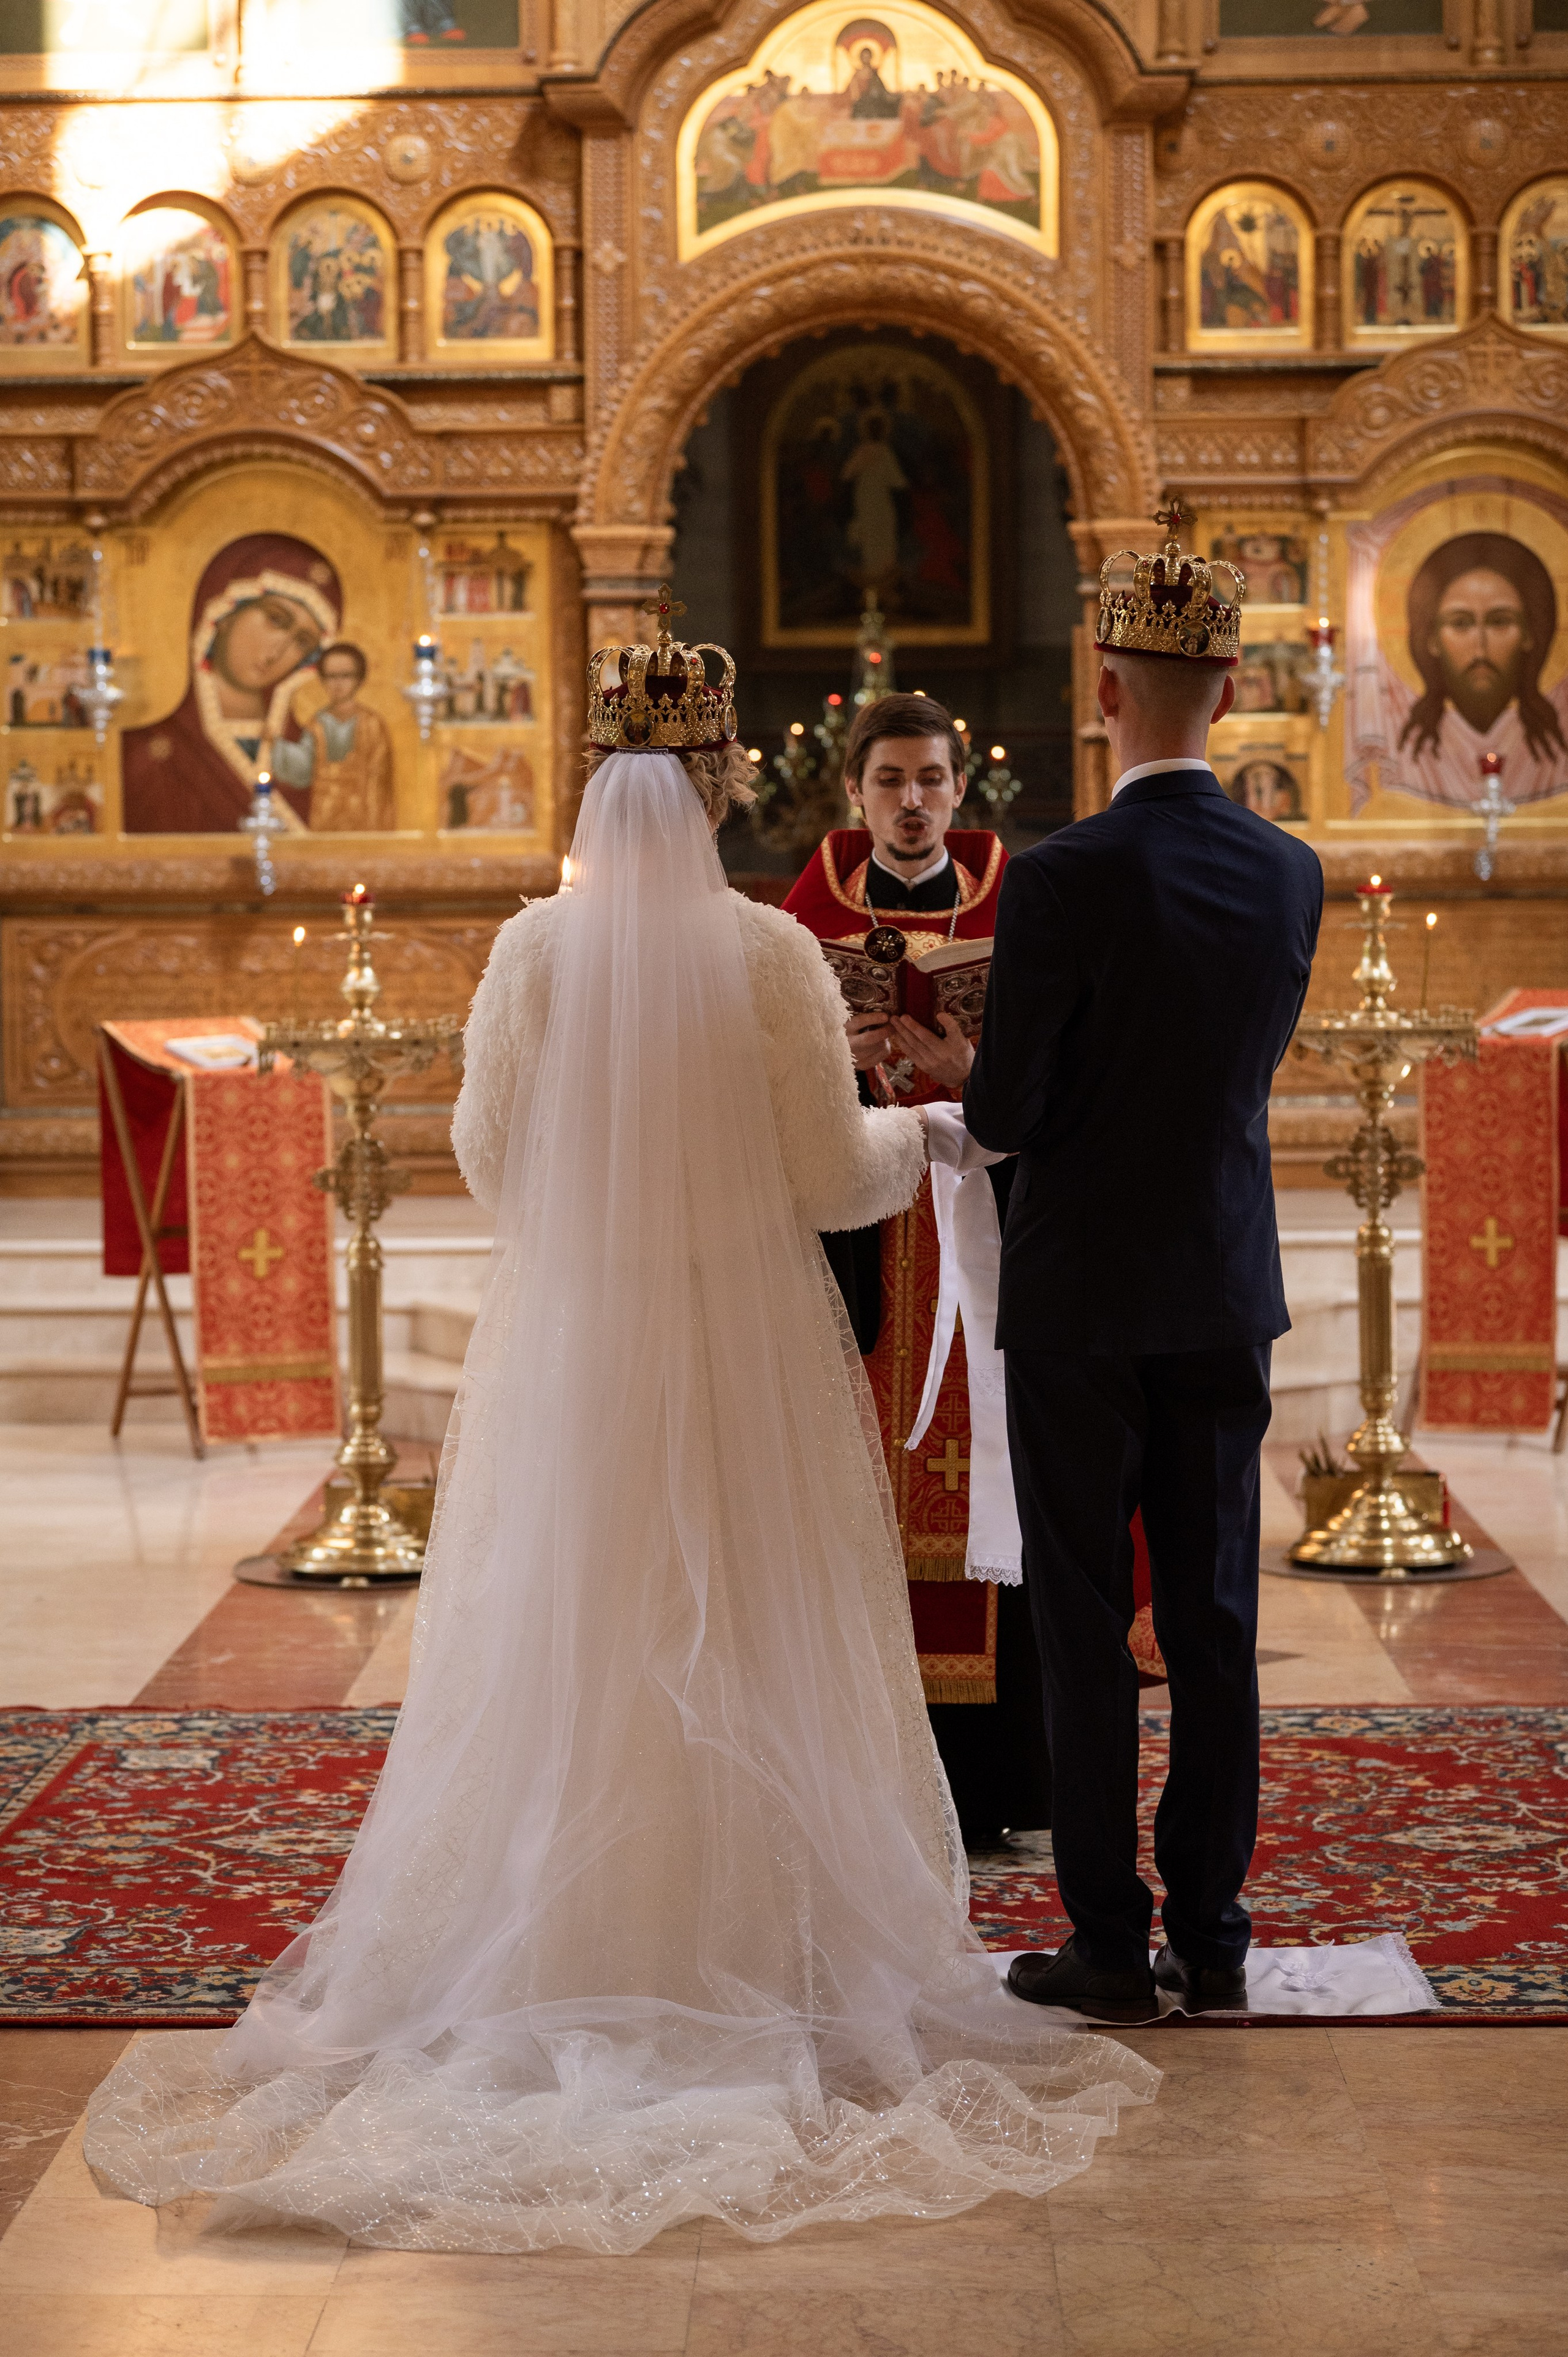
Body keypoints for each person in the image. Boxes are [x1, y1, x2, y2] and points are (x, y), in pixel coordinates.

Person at [85, 607, 1154, 2253]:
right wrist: (935, 1130)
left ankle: (564, 1935)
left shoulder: (533, 956)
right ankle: (759, 1939)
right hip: (746, 1348)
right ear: (722, 780)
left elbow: (494, 1164)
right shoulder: (766, 955)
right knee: (750, 1621)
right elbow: (827, 1178)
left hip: (579, 1348)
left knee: (579, 1629)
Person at [965, 510, 1322, 2024]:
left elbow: (1005, 1110)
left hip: (1074, 1297)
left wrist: (961, 1064)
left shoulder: (1057, 876)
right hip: (1217, 1280)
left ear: (1100, 686)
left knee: (1076, 1621)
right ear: (1226, 689)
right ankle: (1217, 1933)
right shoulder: (1287, 871)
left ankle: (1108, 1941)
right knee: (1212, 1617)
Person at [783, 695, 1053, 1844]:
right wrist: (825, 1056)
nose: (911, 802)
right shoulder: (800, 916)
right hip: (863, 1235)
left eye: (931, 780)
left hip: (986, 1221)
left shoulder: (1020, 902)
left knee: (994, 1468)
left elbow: (1055, 1062)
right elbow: (766, 1083)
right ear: (856, 792)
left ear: (961, 788)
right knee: (858, 1489)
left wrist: (975, 1065)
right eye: (889, 781)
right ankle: (876, 1783)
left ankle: (999, 1782)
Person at [121, 534, 340, 834]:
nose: (279, 651)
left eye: (302, 642)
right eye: (276, 619)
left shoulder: (311, 757)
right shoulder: (142, 753)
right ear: (224, 612)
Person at [267, 640, 396, 831]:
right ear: (322, 680)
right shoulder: (317, 723)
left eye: (346, 676)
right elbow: (303, 768)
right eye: (331, 676)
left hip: (363, 809)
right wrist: (276, 745)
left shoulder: (372, 724)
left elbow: (380, 777)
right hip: (326, 807)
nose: (338, 684)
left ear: (360, 679)